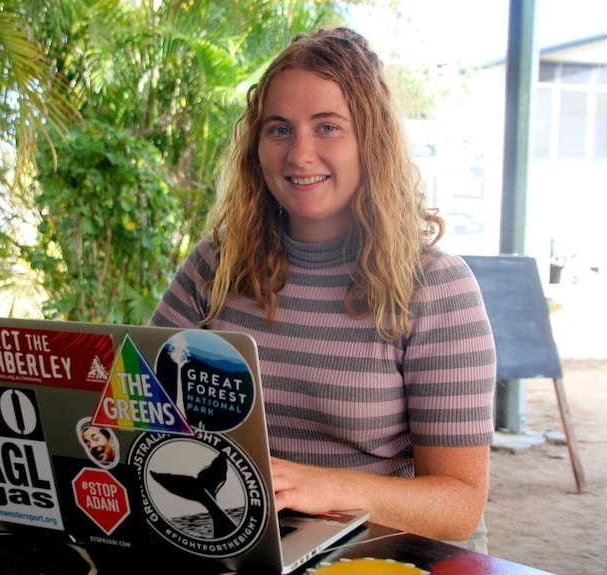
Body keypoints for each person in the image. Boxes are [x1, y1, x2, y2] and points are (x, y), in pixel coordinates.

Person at [149, 27, 496, 552]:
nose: (300, 154)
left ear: (371, 143)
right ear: (256, 147)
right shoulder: (214, 267)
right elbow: (138, 407)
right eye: (279, 129)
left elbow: (459, 505)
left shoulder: (435, 288)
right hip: (241, 537)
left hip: (385, 550)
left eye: (328, 127)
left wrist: (320, 486)